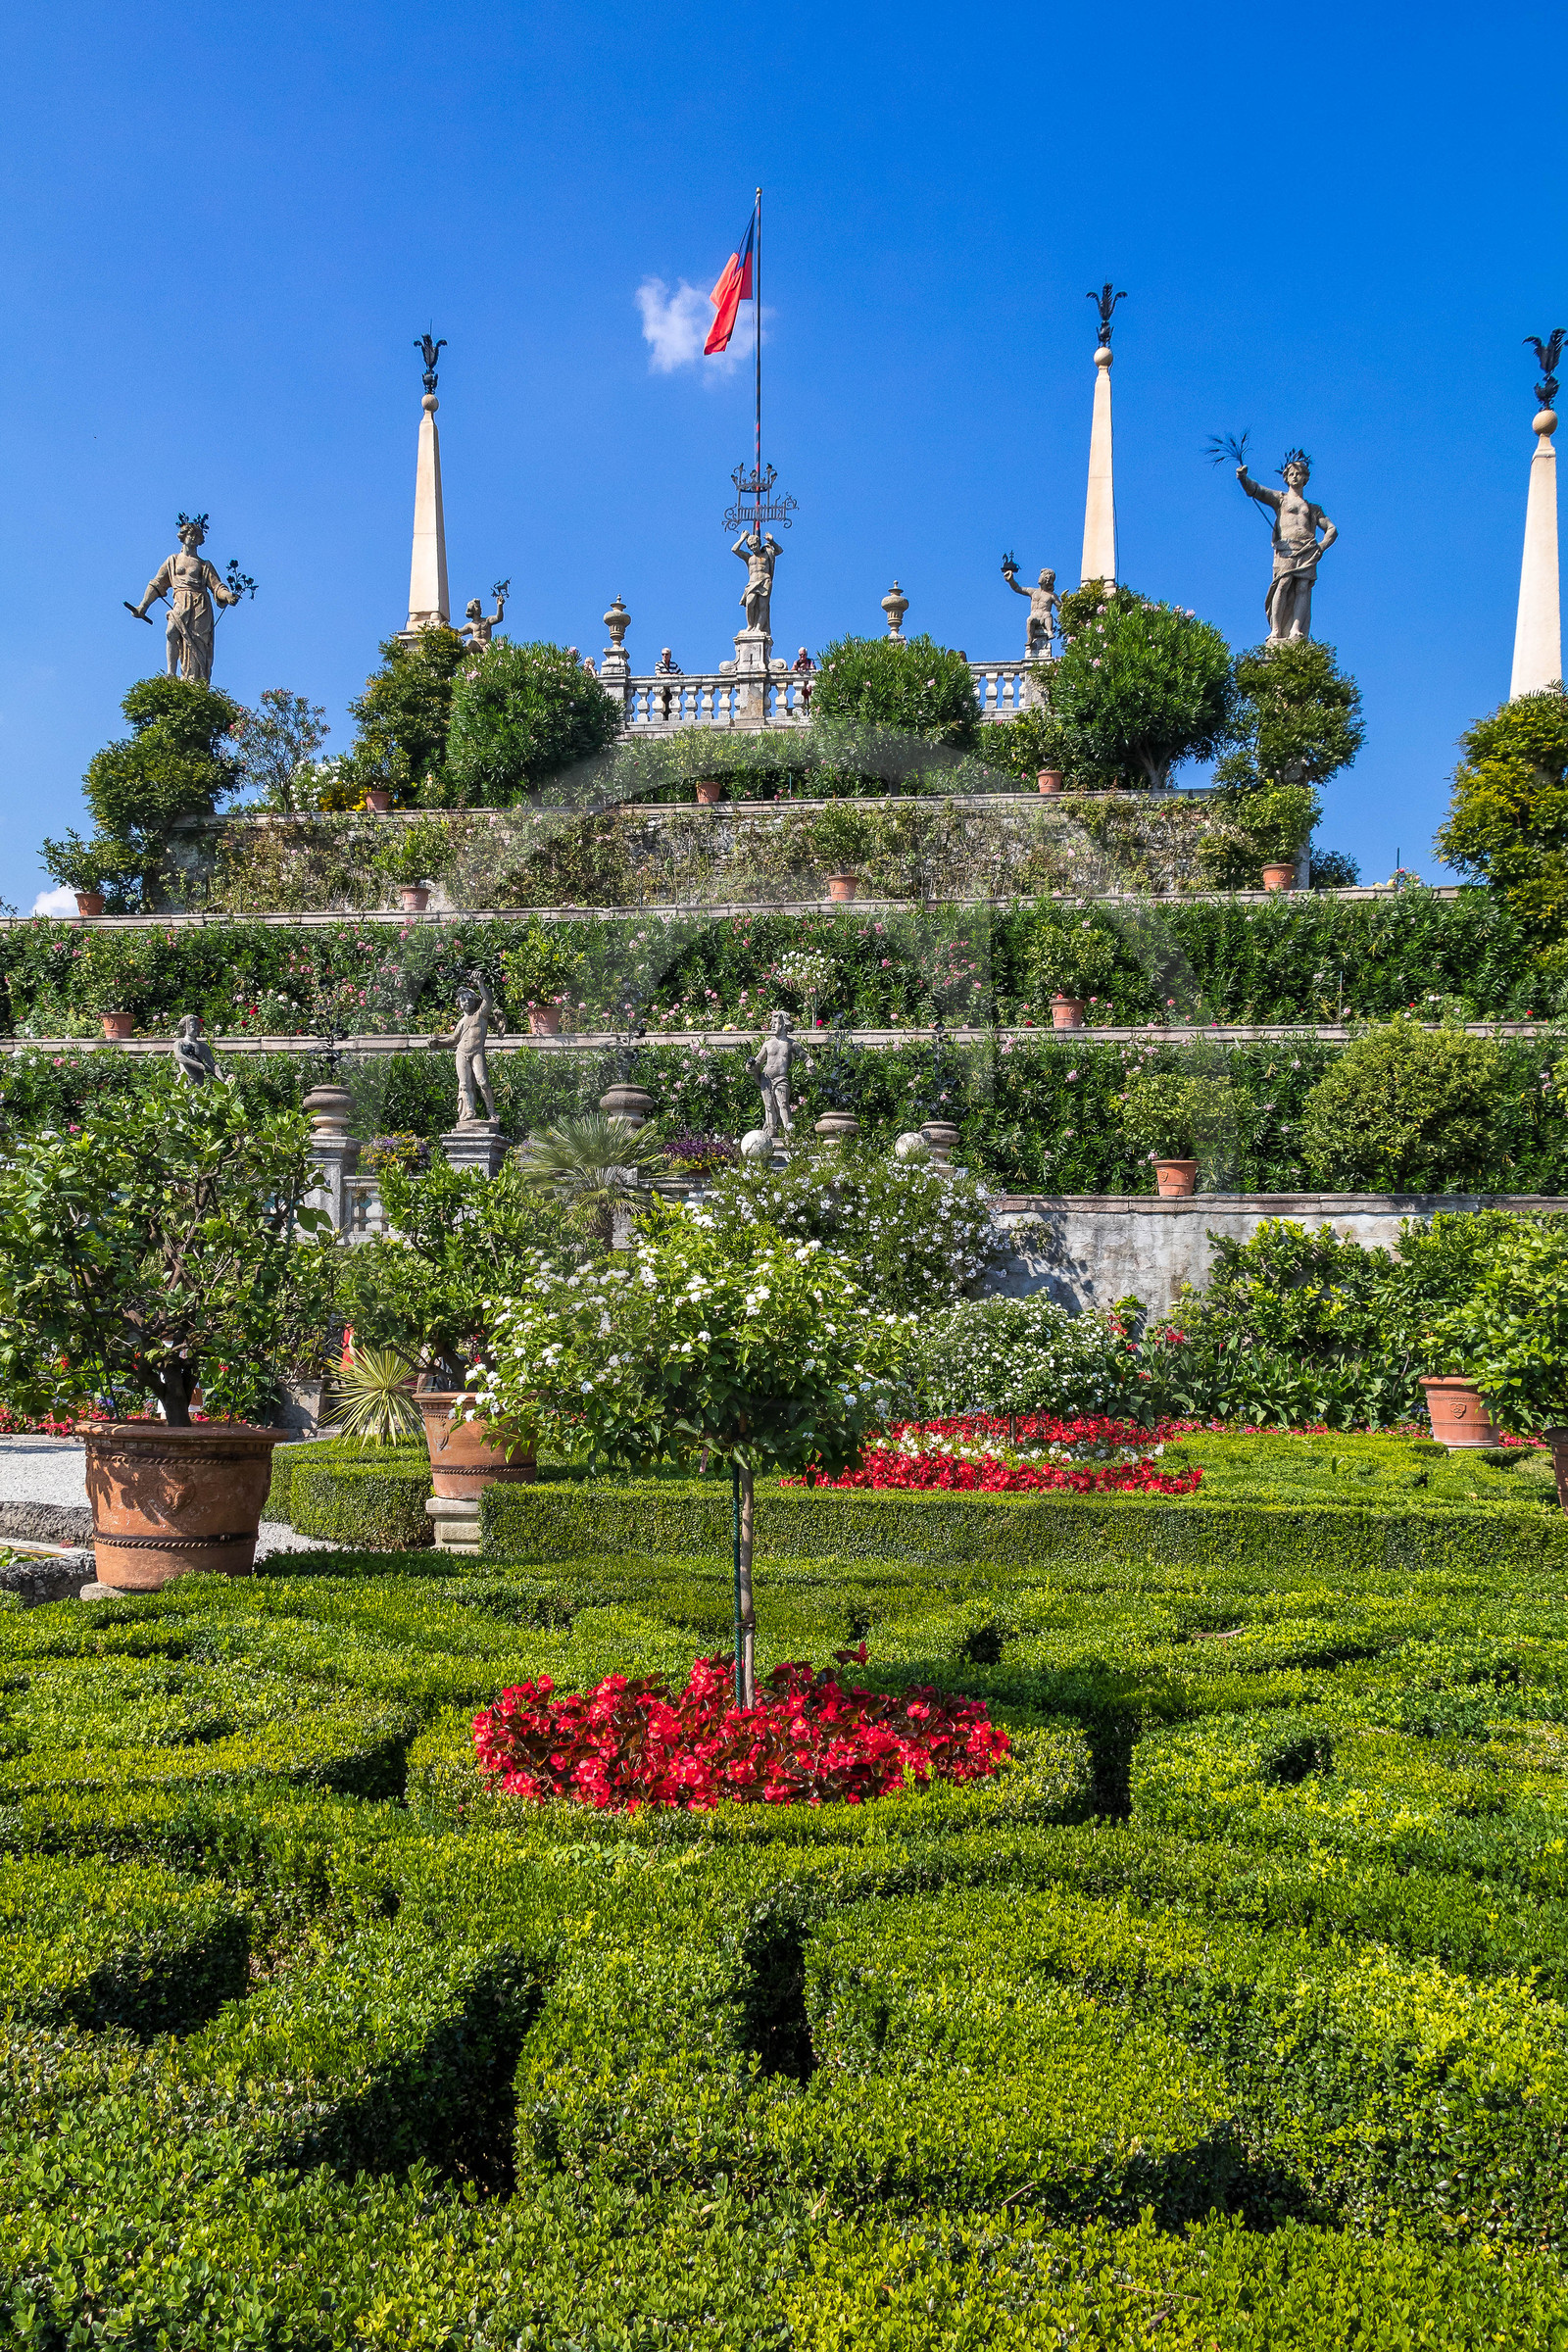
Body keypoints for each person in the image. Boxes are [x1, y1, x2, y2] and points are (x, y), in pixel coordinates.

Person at [1235, 452, 1338, 644]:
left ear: (1305, 478)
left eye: (1298, 473)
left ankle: (1296, 630)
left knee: (1302, 587)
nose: (1295, 477)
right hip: (1286, 549)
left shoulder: (1313, 508)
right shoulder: (1280, 499)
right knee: (1282, 584)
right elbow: (1256, 490)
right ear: (1286, 477)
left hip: (1308, 550)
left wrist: (1321, 547)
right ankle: (1276, 630)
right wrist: (1243, 478)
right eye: (1291, 473)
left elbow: (1332, 529)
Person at [129, 515, 238, 684]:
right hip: (180, 600)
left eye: (197, 536)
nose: (193, 538)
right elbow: (157, 584)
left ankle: (195, 681)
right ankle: (171, 674)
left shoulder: (204, 564)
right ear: (183, 536)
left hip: (200, 605)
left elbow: (217, 587)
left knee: (198, 643)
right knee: (171, 632)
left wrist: (228, 596)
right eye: (191, 534)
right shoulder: (172, 560)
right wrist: (143, 607)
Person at [429, 969, 499, 1125]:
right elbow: (453, 1040)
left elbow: (488, 1001)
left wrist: (480, 984)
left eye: (469, 999)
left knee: (483, 1082)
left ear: (475, 1001)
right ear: (459, 1004)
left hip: (476, 1052)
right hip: (461, 1052)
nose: (466, 1002)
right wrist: (438, 1043)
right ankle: (469, 1112)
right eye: (463, 1000)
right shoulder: (461, 1022)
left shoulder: (481, 1015)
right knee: (464, 1084)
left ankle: (492, 1113)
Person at [749, 1009, 796, 1143]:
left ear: (785, 1024)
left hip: (781, 1079)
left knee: (783, 1103)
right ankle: (771, 1130)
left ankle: (789, 1132)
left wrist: (810, 1065)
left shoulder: (790, 1044)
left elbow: (804, 1055)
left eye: (776, 1022)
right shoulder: (768, 1044)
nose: (773, 1025)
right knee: (768, 1106)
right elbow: (758, 1060)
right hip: (766, 1079)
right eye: (772, 1023)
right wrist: (750, 1065)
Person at [1003, 564, 1060, 657]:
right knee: (1029, 620)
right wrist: (1011, 580)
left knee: (1048, 615)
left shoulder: (1051, 595)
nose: (1039, 577)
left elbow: (1060, 607)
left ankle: (1049, 631)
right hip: (1035, 616)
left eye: (1041, 575)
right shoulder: (1033, 592)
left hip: (1044, 616)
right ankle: (1029, 640)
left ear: (1047, 579)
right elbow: (1018, 588)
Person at [732, 527, 781, 634]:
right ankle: (750, 626)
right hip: (752, 583)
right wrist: (742, 538)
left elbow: (779, 551)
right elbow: (734, 549)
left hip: (765, 581)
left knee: (762, 606)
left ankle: (758, 627)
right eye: (751, 546)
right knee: (750, 602)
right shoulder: (749, 557)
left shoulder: (767, 553)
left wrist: (772, 541)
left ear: (759, 543)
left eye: (755, 545)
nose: (754, 548)